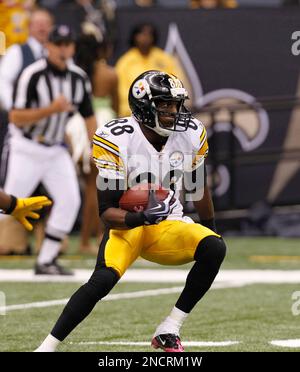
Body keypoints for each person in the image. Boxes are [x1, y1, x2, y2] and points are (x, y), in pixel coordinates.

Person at [35, 70, 226, 352]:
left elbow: (197, 188)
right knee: (102, 280)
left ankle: (169, 328)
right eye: (165, 105)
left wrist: (209, 228)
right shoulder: (117, 138)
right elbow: (106, 211)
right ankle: (47, 347)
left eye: (175, 105)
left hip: (166, 225)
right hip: (127, 227)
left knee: (214, 248)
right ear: (144, 107)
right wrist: (140, 217)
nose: (174, 112)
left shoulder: (190, 133)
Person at [3, 25, 97, 275]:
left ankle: (46, 259)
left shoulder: (79, 78)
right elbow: (15, 117)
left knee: (70, 200)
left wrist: (97, 148)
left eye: (67, 44)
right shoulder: (32, 75)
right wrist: (51, 110)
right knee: (8, 205)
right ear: (48, 46)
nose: (63, 49)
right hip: (27, 147)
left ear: (73, 48)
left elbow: (89, 117)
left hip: (55, 149)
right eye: (58, 44)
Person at [71, 33, 118, 254]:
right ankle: (88, 240)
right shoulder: (109, 74)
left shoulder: (74, 74)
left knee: (85, 185)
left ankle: (90, 238)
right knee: (95, 186)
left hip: (75, 127)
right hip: (101, 124)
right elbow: (117, 106)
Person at [115, 23, 183, 117]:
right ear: (135, 37)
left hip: (162, 110)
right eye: (142, 34)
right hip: (133, 112)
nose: (145, 38)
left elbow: (174, 83)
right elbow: (121, 92)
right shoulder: (125, 62)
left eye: (149, 34)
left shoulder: (164, 59)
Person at [0, 7, 54, 111]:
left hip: (50, 114)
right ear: (29, 27)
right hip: (21, 113)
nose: (42, 28)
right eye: (38, 24)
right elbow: (3, 81)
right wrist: (13, 106)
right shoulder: (16, 51)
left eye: (46, 24)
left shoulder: (56, 52)